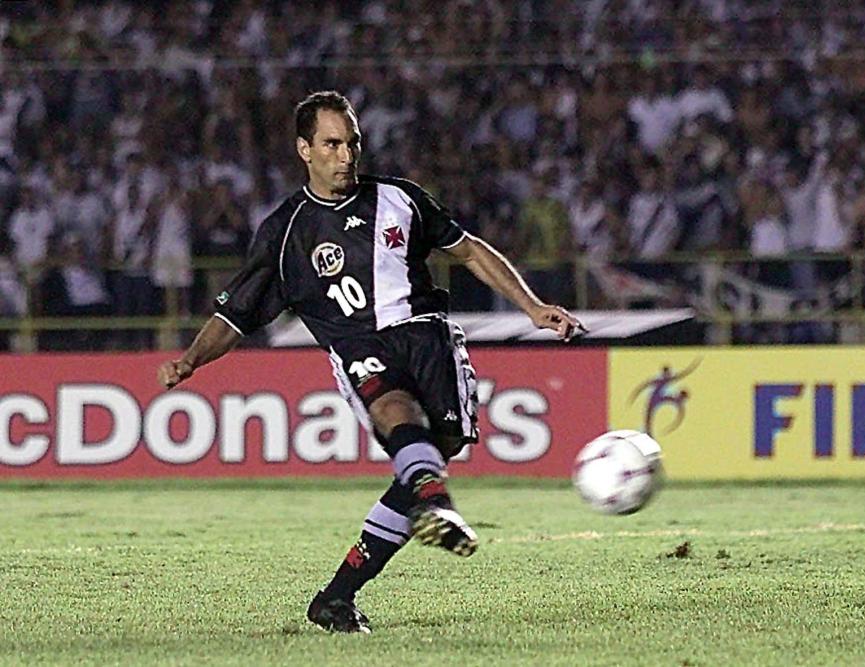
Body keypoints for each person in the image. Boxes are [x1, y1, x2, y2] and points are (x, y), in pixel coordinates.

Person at [156, 91, 584, 634]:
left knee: (434, 449)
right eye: (332, 144)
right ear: (304, 149)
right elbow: (236, 316)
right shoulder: (285, 234)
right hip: (358, 346)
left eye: (352, 143)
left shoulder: (400, 199)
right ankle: (438, 503)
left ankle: (338, 595)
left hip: (425, 336)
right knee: (395, 413)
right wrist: (190, 361)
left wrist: (533, 307)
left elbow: (469, 250)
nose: (346, 155)